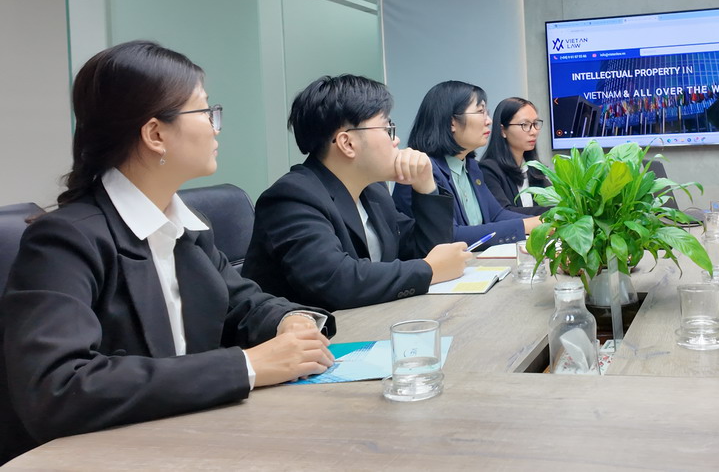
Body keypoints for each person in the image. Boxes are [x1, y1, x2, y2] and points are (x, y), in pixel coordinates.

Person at [0, 41, 335, 464]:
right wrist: (247, 366)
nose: (216, 128)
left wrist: (290, 321)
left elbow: (243, 304)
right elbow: (58, 387)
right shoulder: (64, 241)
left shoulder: (183, 225)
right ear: (156, 134)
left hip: (187, 438)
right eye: (206, 112)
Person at [242, 75, 470, 311]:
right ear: (347, 143)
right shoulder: (291, 198)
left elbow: (431, 253)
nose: (396, 140)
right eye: (387, 129)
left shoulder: (374, 192)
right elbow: (336, 281)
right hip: (319, 331)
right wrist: (429, 270)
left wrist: (425, 186)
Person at [394, 80, 541, 246]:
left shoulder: (471, 166)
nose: (489, 121)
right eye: (480, 112)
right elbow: (450, 235)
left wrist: (543, 222)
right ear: (452, 122)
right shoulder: (421, 169)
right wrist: (527, 225)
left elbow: (496, 215)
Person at [479, 97, 551, 215]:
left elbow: (556, 200)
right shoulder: (488, 170)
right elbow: (504, 213)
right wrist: (553, 212)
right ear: (503, 130)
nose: (533, 132)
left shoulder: (534, 168)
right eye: (525, 124)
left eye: (535, 123)